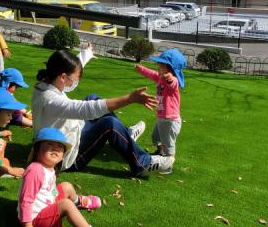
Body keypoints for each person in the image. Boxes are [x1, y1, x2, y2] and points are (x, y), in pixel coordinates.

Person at [32, 46, 174, 176]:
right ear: (63, 77)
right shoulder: (50, 100)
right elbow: (86, 109)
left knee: (92, 97)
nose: (75, 82)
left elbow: (69, 67)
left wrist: (86, 54)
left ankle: (126, 135)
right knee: (109, 124)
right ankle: (143, 163)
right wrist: (130, 98)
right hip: (66, 158)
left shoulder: (48, 82)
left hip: (70, 134)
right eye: (74, 79)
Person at [18, 127, 122, 227]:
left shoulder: (48, 167)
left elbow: (50, 189)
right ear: (37, 149)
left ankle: (77, 202)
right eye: (49, 144)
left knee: (66, 186)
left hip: (46, 204)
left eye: (59, 146)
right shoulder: (35, 171)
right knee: (66, 204)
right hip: (34, 221)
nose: (55, 148)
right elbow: (25, 200)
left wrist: (56, 196)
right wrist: (28, 225)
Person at [134, 49, 185, 175]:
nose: (158, 68)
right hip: (162, 118)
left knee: (168, 144)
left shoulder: (173, 81)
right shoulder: (160, 78)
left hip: (170, 120)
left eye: (161, 66)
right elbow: (151, 73)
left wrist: (170, 78)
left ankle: (167, 165)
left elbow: (173, 83)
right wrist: (141, 69)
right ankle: (160, 153)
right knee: (155, 137)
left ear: (169, 69)